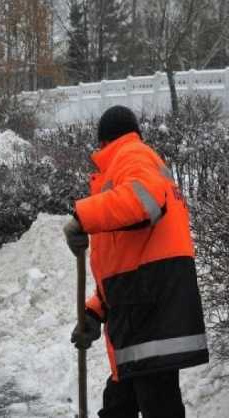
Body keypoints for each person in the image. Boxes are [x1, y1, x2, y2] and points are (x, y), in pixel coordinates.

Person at [63, 105, 208, 418]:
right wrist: (95, 311)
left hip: (150, 315)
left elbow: (143, 202)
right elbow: (126, 257)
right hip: (141, 309)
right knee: (121, 404)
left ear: (104, 142)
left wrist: (83, 216)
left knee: (157, 404)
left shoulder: (132, 155)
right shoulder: (131, 164)